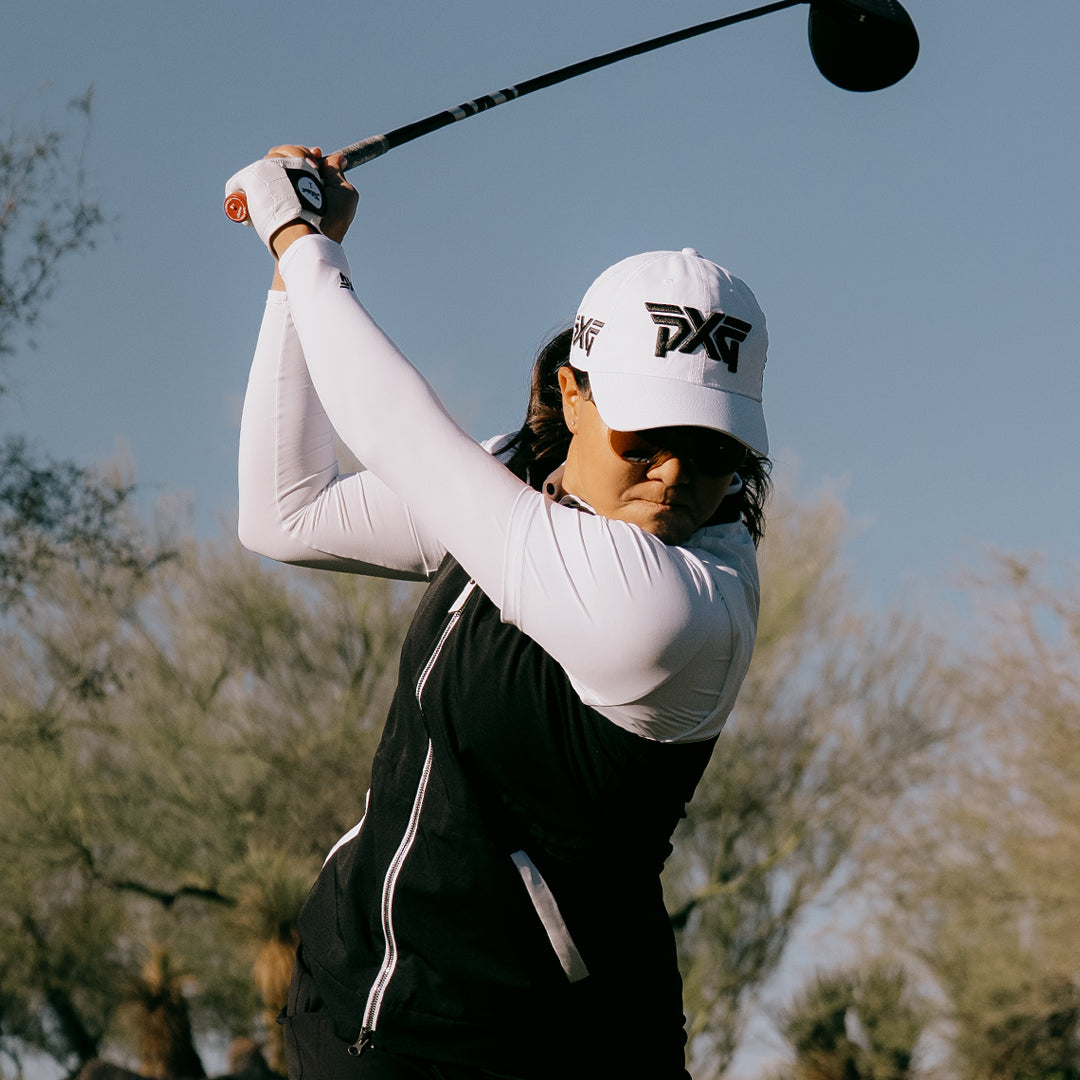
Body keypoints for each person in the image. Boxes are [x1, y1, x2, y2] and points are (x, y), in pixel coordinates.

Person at [227, 146, 773, 1080]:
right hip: (348, 1011)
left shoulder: (676, 612)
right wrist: (293, 277)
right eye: (650, 436)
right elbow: (286, 513)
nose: (677, 473)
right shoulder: (528, 483)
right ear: (574, 393)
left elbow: (399, 432)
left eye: (712, 449)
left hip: (540, 1051)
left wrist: (302, 240)